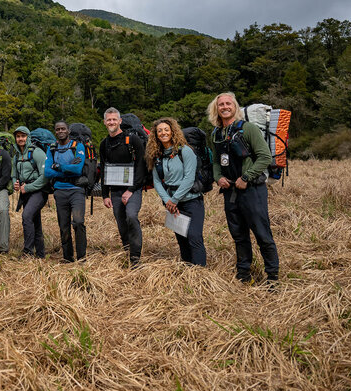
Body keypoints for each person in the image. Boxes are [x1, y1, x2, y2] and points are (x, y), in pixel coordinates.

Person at [209, 92, 278, 283]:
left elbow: (265, 156)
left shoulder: (248, 129)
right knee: (239, 236)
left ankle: (272, 277)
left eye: (228, 103)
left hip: (252, 191)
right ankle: (243, 274)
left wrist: (246, 177)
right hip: (230, 192)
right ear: (216, 109)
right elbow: (215, 161)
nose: (224, 107)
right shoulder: (216, 133)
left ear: (235, 106)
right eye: (221, 104)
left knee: (263, 235)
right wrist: (218, 178)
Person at [146, 117, 206, 267]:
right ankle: (187, 269)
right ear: (155, 134)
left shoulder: (185, 151)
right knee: (181, 238)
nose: (163, 133)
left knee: (194, 236)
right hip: (172, 203)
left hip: (191, 200)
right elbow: (157, 182)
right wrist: (167, 200)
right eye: (159, 131)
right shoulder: (157, 155)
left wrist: (174, 200)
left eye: (166, 129)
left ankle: (200, 273)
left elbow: (189, 178)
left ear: (173, 131)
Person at [99, 107, 147, 266]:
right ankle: (127, 250)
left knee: (131, 216)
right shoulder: (104, 144)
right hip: (115, 191)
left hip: (133, 189)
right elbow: (104, 170)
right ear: (105, 122)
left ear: (120, 121)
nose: (111, 122)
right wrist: (105, 194)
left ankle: (135, 258)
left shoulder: (132, 140)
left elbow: (141, 165)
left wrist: (131, 190)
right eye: (109, 120)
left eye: (114, 119)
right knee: (121, 222)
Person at [45, 121, 88, 262]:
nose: (60, 131)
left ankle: (82, 257)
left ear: (68, 130)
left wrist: (58, 166)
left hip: (77, 190)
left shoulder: (77, 146)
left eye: (63, 128)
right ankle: (68, 258)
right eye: (57, 129)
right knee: (63, 226)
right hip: (60, 191)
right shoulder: (51, 149)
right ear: (55, 132)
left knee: (78, 222)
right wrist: (67, 168)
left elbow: (78, 169)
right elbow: (47, 172)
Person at [12, 126, 49, 258]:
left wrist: (27, 187)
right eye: (18, 136)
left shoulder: (37, 152)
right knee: (35, 221)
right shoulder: (17, 155)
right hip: (25, 193)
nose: (20, 139)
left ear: (28, 137)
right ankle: (40, 254)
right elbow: (13, 174)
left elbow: (45, 176)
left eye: (23, 136)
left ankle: (27, 252)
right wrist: (15, 184)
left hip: (39, 192)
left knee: (26, 216)